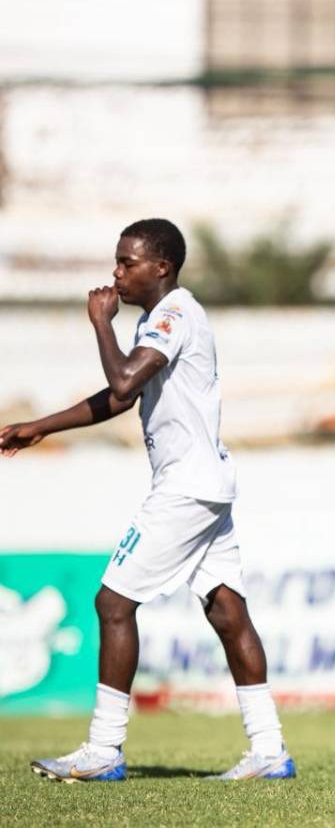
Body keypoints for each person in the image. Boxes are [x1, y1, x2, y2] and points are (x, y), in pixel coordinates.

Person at [2, 219, 294, 782]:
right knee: (228, 612)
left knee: (113, 603)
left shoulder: (172, 314)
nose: (116, 272)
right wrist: (41, 426)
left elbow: (122, 385)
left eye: (127, 262)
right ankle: (269, 750)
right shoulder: (161, 320)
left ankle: (104, 748)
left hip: (185, 487)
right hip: (206, 483)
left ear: (161, 267)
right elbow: (118, 399)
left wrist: (100, 325)